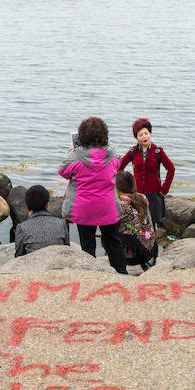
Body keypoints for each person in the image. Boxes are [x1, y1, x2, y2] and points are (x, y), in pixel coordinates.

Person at [59, 117, 127, 274]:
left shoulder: (75, 156)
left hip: (84, 209)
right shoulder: (112, 154)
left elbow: (62, 171)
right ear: (105, 135)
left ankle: (90, 275)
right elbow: (118, 164)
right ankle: (122, 275)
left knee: (87, 244)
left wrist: (72, 150)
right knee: (114, 242)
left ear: (81, 136)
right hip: (107, 207)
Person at [118, 118, 174, 227]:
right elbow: (119, 168)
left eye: (146, 133)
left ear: (150, 133)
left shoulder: (158, 151)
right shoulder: (133, 152)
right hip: (137, 195)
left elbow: (171, 169)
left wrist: (164, 189)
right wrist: (126, 188)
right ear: (136, 137)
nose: (144, 137)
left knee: (153, 225)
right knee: (137, 223)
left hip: (154, 194)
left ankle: (152, 243)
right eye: (140, 135)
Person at [115, 171, 157, 270]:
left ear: (117, 187)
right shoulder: (142, 198)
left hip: (133, 255)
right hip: (150, 251)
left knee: (108, 232)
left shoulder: (120, 203)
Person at [14, 185, 70, 257]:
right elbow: (67, 249)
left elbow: (19, 255)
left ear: (28, 207)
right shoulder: (61, 223)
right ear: (47, 205)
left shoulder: (22, 228)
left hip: (34, 265)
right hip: (58, 262)